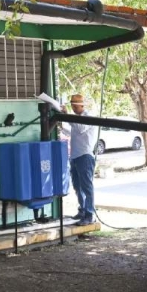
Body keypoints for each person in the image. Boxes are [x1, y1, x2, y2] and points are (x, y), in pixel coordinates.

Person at [62, 94, 98, 226]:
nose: (72, 108)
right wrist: (62, 126)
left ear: (80, 105)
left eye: (74, 105)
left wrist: (66, 117)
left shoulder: (87, 118)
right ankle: (82, 210)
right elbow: (73, 132)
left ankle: (89, 214)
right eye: (71, 105)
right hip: (75, 156)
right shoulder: (76, 120)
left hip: (85, 156)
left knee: (87, 187)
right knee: (77, 186)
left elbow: (80, 128)